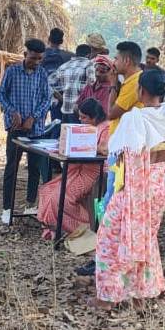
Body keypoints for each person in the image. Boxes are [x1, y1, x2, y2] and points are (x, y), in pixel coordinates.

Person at [91, 69, 165, 309]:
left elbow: (117, 151)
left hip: (136, 185)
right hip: (160, 182)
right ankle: (141, 293)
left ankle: (107, 296)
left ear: (141, 91)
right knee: (145, 237)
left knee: (110, 237)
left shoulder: (134, 119)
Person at [36, 98, 109, 238]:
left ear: (95, 117)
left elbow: (105, 150)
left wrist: (84, 146)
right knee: (48, 190)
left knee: (61, 197)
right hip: (78, 168)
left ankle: (81, 227)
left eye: (84, 117)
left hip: (94, 171)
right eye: (80, 117)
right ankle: (53, 226)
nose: (81, 120)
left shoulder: (106, 128)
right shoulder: (87, 127)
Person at [0, 38, 52, 224]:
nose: (36, 62)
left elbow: (47, 99)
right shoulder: (12, 71)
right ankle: (7, 208)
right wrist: (13, 112)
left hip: (35, 129)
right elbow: (1, 94)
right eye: (33, 58)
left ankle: (30, 204)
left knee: (34, 168)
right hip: (15, 129)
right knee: (11, 168)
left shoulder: (42, 74)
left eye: (39, 59)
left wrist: (33, 117)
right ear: (25, 54)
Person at [49, 44, 95, 124]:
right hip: (81, 112)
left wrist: (59, 96)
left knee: (67, 135)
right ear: (89, 55)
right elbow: (92, 83)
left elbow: (48, 82)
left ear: (76, 53)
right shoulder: (89, 64)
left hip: (65, 110)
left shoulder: (64, 66)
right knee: (80, 136)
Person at [108, 41, 144, 135]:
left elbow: (111, 114)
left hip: (125, 143)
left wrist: (113, 85)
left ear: (127, 61)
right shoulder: (132, 80)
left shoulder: (134, 83)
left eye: (116, 59)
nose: (113, 63)